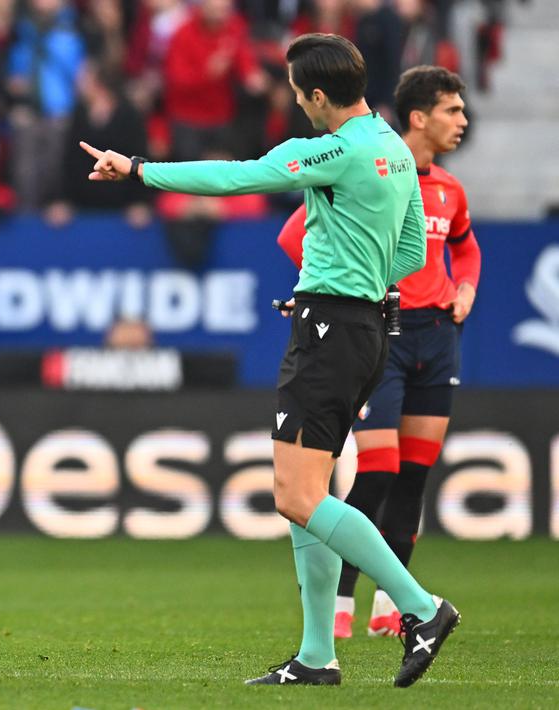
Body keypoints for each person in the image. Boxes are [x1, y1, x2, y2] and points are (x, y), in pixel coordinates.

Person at [81, 33, 459, 688]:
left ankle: (420, 608)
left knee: (296, 495)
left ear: (317, 94)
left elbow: (236, 177)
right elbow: (411, 255)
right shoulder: (395, 150)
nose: (295, 101)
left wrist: (138, 169)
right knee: (304, 493)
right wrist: (344, 282)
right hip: (366, 328)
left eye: (296, 91)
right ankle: (316, 656)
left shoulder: (331, 150)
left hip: (331, 334)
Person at [276, 65, 479, 639]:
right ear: (419, 117)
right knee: (379, 470)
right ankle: (346, 604)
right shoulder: (372, 164)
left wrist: (465, 288)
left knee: (412, 474)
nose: (462, 120)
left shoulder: (448, 189)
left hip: (432, 334)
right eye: (452, 109)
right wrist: (334, 285)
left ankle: (393, 607)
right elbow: (293, 235)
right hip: (383, 330)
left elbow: (464, 250)